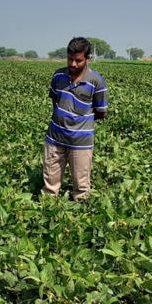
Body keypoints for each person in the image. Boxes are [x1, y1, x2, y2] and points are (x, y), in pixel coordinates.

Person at [42, 37, 108, 200]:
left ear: (87, 59)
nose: (73, 64)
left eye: (78, 60)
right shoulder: (58, 75)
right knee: (49, 187)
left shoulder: (96, 81)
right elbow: (55, 100)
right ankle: (47, 208)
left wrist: (80, 124)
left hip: (81, 142)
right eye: (70, 59)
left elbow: (100, 112)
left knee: (81, 187)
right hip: (55, 137)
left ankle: (81, 209)